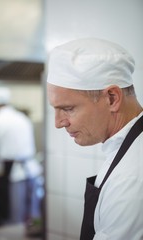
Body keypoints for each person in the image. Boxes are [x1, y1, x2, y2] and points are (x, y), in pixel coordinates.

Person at [46, 38, 143, 240]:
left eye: (67, 108)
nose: (58, 123)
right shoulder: (128, 147)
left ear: (112, 98)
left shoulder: (131, 179)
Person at [0, 87, 43, 225]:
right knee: (33, 216)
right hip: (32, 170)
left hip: (14, 173)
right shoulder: (22, 117)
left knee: (15, 217)